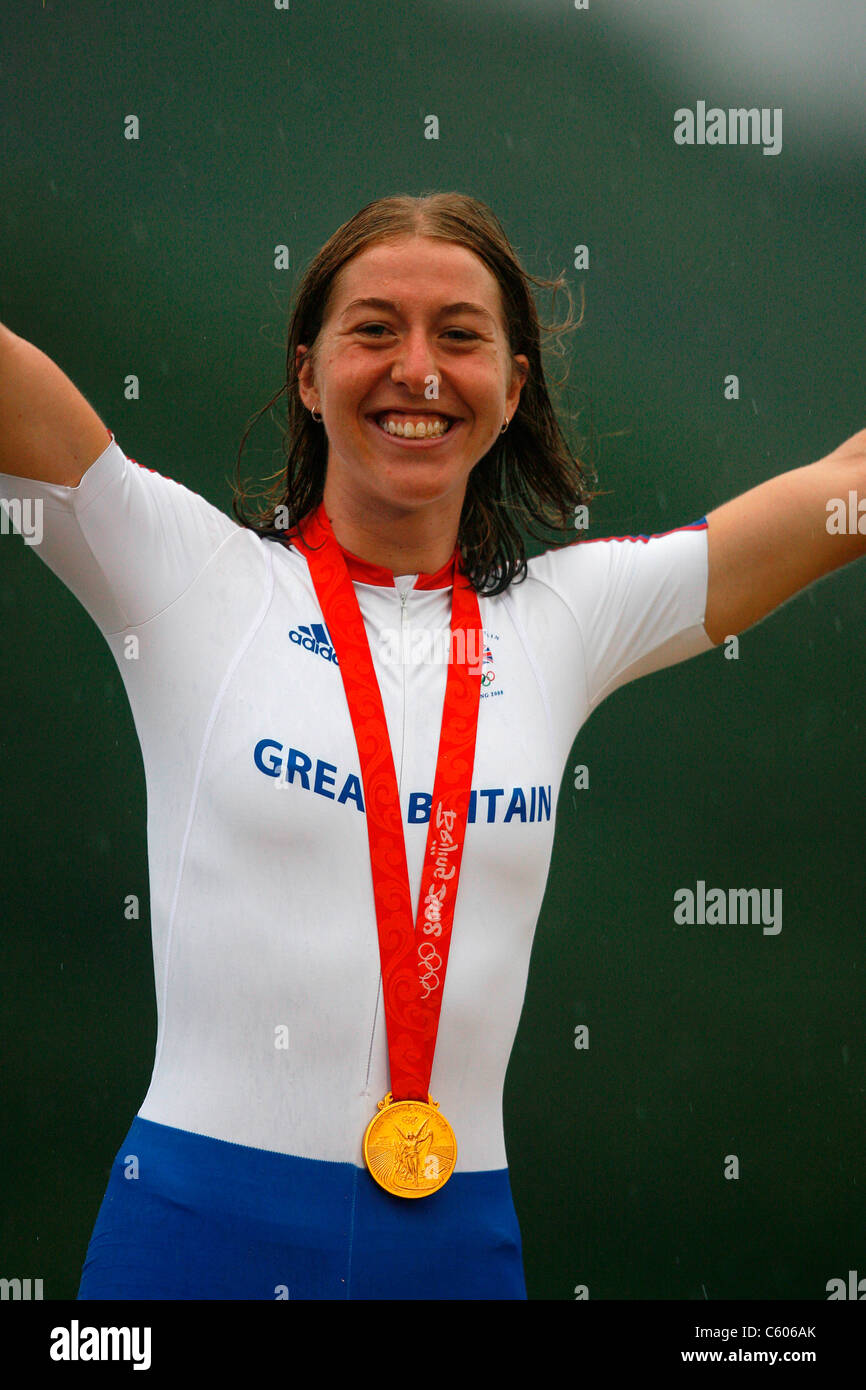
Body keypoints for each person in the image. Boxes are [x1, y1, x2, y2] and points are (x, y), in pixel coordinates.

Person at [1, 192, 863, 1301]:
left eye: (459, 336)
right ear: (307, 375)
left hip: (453, 1255)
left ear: (511, 389)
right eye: (373, 330)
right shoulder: (185, 575)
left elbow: (845, 491)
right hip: (193, 1236)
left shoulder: (564, 620)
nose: (417, 369)